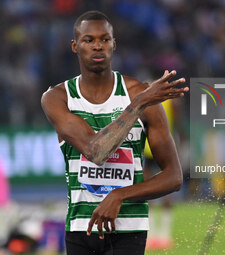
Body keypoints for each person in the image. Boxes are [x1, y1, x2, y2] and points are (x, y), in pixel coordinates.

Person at [41, 10, 188, 255]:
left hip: (129, 230)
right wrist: (138, 104)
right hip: (81, 229)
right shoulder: (58, 98)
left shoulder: (139, 93)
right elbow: (94, 151)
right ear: (75, 46)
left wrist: (120, 196)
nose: (98, 46)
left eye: (105, 39)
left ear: (114, 44)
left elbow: (174, 177)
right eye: (89, 40)